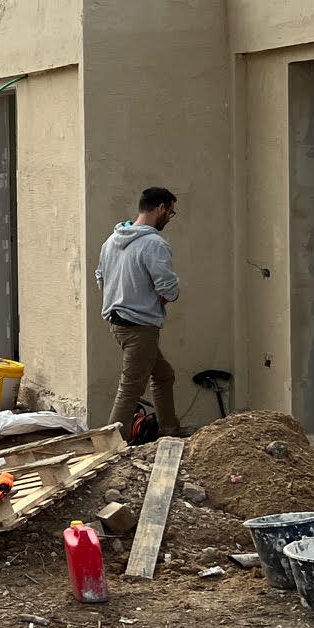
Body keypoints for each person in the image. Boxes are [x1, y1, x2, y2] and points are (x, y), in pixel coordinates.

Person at [96, 186, 183, 439]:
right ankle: (111, 445)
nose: (170, 218)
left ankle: (169, 432)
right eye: (171, 212)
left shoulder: (111, 241)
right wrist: (164, 297)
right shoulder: (154, 244)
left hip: (118, 324)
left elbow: (100, 278)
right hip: (140, 327)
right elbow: (167, 287)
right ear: (161, 208)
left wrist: (122, 294)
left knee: (164, 375)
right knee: (130, 389)